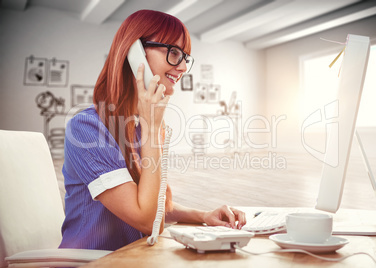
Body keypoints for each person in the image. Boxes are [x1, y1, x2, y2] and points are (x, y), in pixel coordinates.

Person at [59, 9, 246, 251]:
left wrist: (203, 215)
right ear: (134, 52)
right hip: (94, 262)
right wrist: (152, 127)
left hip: (134, 257)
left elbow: (150, 203)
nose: (181, 68)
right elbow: (148, 221)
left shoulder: (143, 124)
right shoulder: (87, 129)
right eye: (174, 52)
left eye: (185, 57)